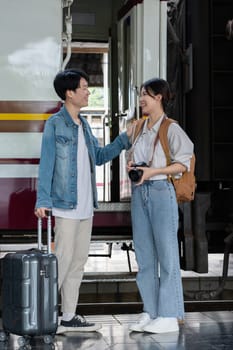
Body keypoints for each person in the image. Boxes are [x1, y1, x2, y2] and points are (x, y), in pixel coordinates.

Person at [34, 68, 132, 332]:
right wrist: (42, 200)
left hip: (86, 207)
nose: (89, 92)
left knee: (77, 262)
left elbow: (98, 157)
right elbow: (47, 164)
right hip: (65, 205)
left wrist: (123, 140)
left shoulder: (85, 125)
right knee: (63, 261)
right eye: (85, 87)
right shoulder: (55, 123)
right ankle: (41, 316)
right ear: (69, 93)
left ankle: (67, 316)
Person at [127, 78, 194, 334]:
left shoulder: (171, 129)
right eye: (141, 94)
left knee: (166, 256)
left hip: (160, 191)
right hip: (140, 192)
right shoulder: (139, 128)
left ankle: (169, 314)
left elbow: (182, 164)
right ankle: (151, 311)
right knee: (144, 257)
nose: (142, 98)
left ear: (160, 98)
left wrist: (153, 170)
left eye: (147, 94)